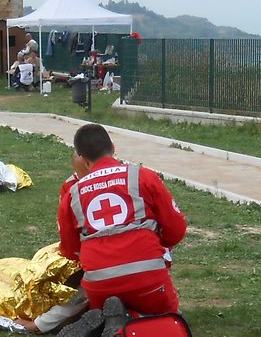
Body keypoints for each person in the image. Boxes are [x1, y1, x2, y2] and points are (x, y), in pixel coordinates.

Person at [57, 123, 187, 315]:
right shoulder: (143, 176)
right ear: (113, 148)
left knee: (109, 315)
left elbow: (69, 248)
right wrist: (152, 243)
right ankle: (138, 318)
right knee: (166, 319)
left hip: (100, 284)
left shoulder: (72, 193)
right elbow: (176, 229)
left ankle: (117, 322)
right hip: (148, 278)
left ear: (83, 160)